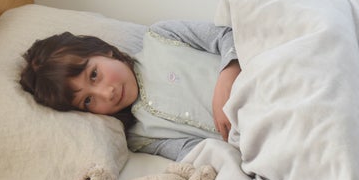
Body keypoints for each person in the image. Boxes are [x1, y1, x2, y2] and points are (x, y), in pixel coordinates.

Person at [20, 21, 241, 161]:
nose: (106, 94)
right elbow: (198, 154)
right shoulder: (140, 136)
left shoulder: (160, 37)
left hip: (252, 78)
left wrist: (228, 75)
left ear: (104, 51)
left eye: (94, 75)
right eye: (87, 101)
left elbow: (227, 36)